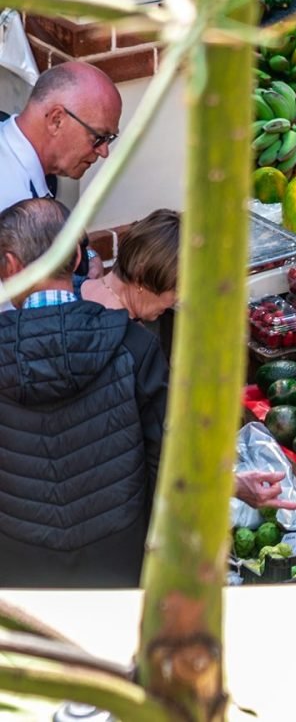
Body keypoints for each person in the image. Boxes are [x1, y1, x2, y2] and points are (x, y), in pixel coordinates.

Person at [0, 198, 166, 587]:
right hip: (119, 561)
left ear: (10, 266)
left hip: (15, 569)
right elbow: (164, 461)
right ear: (77, 255)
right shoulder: (135, 346)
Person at [0, 61, 123, 212]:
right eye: (98, 137)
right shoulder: (11, 206)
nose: (104, 152)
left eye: (109, 139)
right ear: (56, 120)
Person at [80, 208, 180, 321]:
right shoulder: (134, 337)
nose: (178, 299)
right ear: (140, 275)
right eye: (177, 289)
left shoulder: (68, 288)